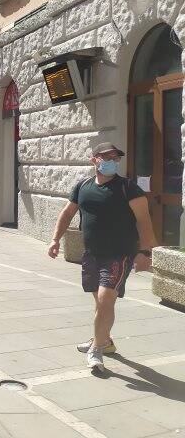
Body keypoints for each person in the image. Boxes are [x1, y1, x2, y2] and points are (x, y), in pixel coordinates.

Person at [47, 142, 154, 372]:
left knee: (106, 299)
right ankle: (104, 341)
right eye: (107, 157)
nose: (112, 161)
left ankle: (96, 348)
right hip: (92, 254)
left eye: (116, 158)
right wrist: (55, 239)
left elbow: (144, 221)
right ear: (94, 160)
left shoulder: (128, 188)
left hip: (118, 255)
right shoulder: (83, 186)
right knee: (101, 302)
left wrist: (145, 252)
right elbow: (67, 213)